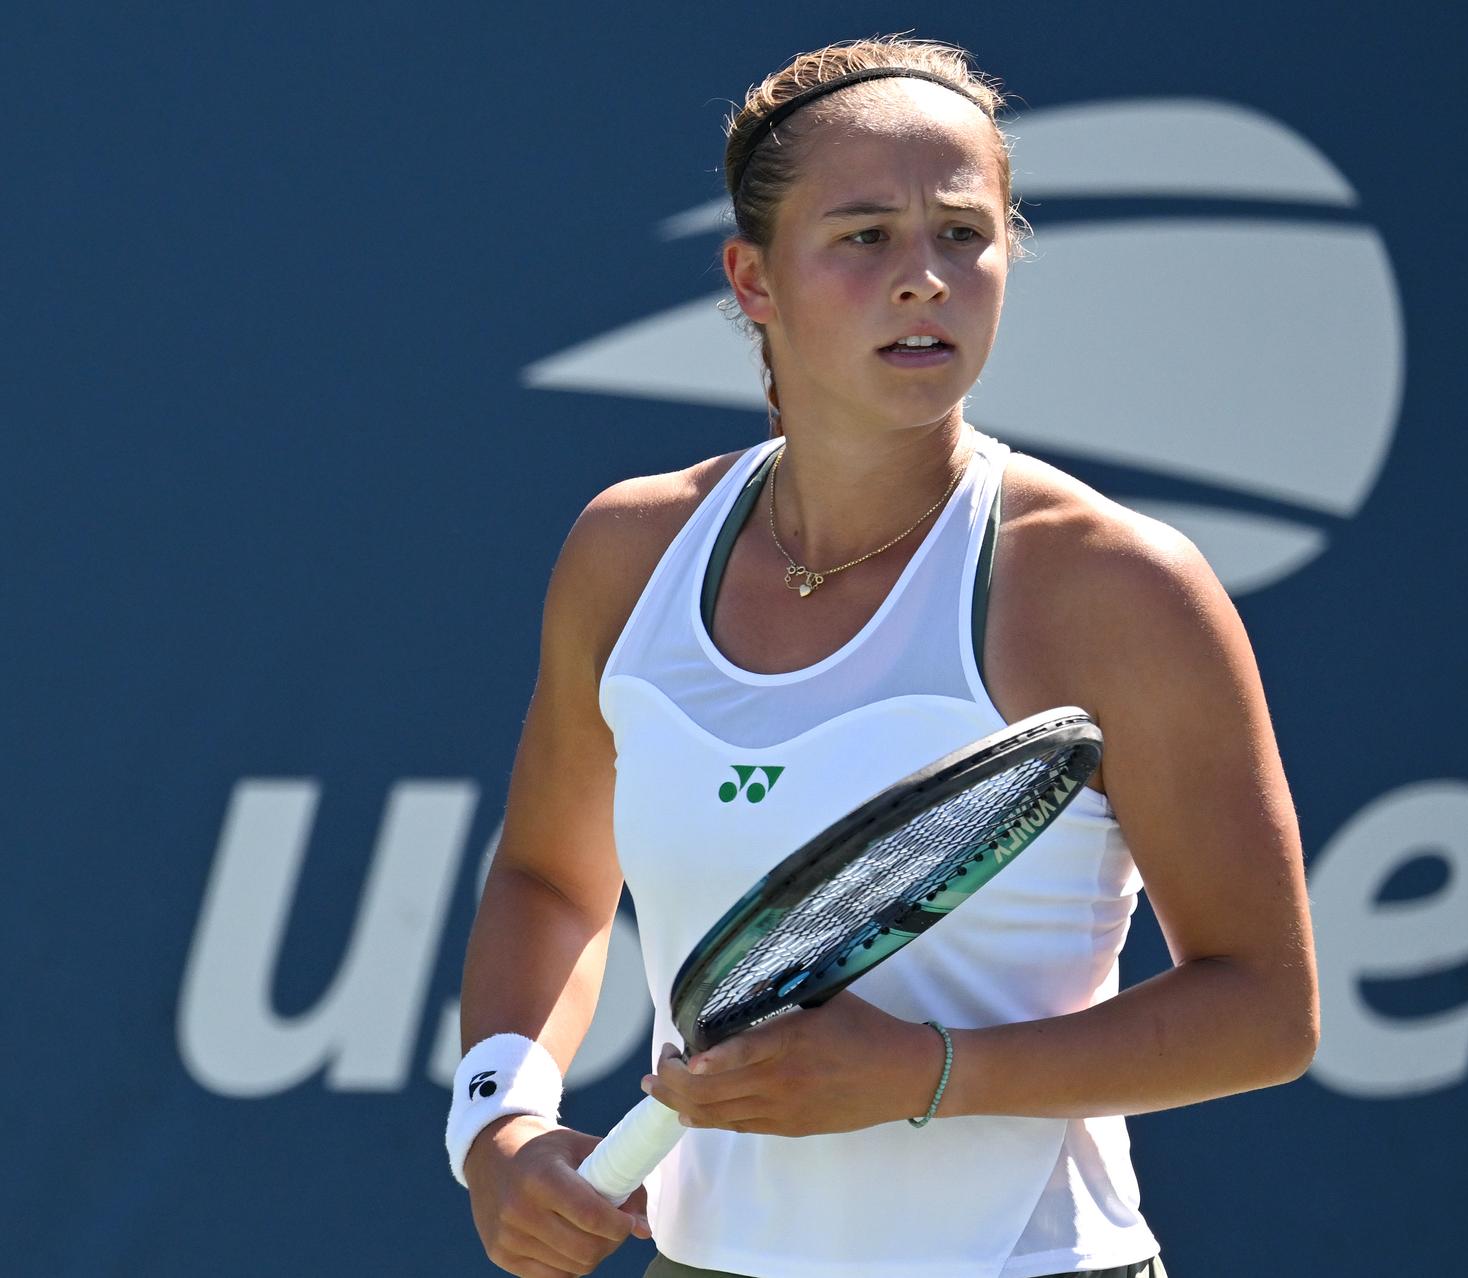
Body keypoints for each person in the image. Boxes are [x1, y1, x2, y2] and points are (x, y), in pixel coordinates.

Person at [445, 35, 1318, 1278]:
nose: (926, 279)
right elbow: (548, 878)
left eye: (964, 234)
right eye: (864, 237)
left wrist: (927, 1075)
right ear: (753, 280)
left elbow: (1265, 1010)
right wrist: (500, 1124)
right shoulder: (630, 550)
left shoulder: (1118, 588)